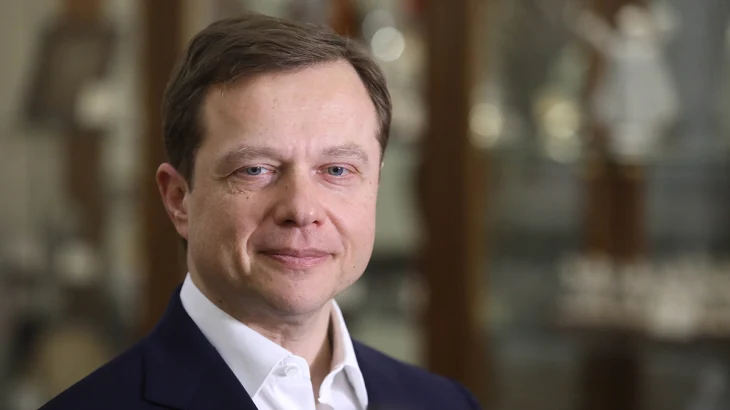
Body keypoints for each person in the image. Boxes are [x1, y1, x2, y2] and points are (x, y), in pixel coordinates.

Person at [40, 13, 481, 410]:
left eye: (337, 169)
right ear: (178, 199)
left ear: (375, 186)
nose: (301, 209)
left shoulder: (445, 403)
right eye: (255, 169)